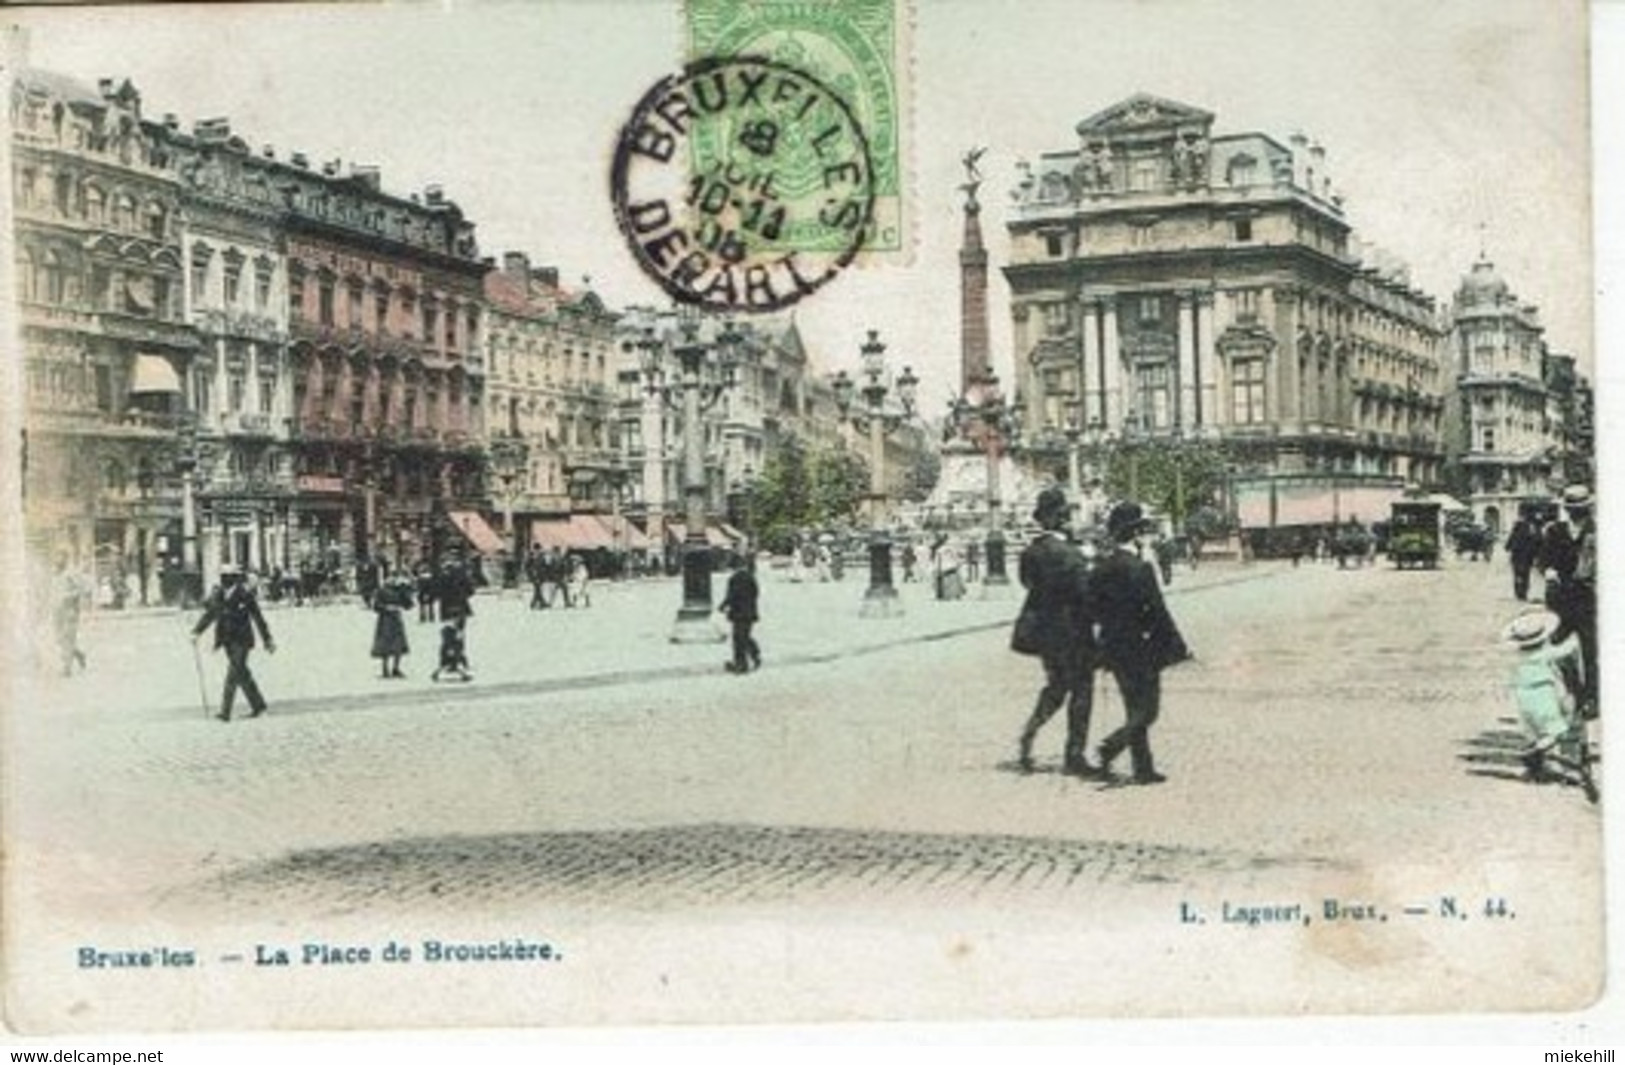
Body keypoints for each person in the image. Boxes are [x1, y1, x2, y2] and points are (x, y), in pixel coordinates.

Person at [1092, 501, 1192, 785]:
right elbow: (1158, 612)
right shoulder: (1140, 568)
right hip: (1141, 646)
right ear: (1136, 534)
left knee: (1132, 705)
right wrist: (1177, 648)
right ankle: (1113, 744)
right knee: (1148, 710)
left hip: (1113, 647)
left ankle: (1143, 768)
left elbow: (1092, 608)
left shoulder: (1101, 568)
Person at [1013, 487, 1099, 776]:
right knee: (1082, 691)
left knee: (1057, 686)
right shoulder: (1071, 555)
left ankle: (1031, 729)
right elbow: (1085, 592)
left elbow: (1027, 583)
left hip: (1045, 633)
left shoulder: (1030, 552)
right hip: (1075, 630)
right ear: (1062, 518)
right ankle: (1074, 755)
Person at [1503, 610, 1583, 782]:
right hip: (1542, 693)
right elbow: (1564, 650)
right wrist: (1575, 638)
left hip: (1523, 695)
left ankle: (1535, 766)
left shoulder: (1519, 656)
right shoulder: (1543, 654)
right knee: (1556, 731)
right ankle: (1537, 751)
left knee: (1533, 730)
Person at [191, 563, 276, 722]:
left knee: (233, 673)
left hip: (243, 640)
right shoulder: (218, 594)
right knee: (242, 674)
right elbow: (210, 615)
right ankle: (259, 706)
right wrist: (196, 631)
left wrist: (268, 639)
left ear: (235, 578)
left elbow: (258, 618)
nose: (225, 580)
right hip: (227, 640)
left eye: (228, 577)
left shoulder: (245, 594)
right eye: (223, 576)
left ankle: (225, 712)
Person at [1546, 484, 1597, 717]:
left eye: (1581, 507)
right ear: (1567, 508)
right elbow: (1544, 558)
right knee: (1555, 650)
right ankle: (1575, 689)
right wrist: (1549, 570)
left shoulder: (1597, 529)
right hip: (1562, 599)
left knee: (1591, 651)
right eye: (1573, 507)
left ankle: (1592, 698)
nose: (1577, 511)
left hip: (1590, 598)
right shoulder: (1555, 530)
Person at [718, 554, 762, 674]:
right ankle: (754, 654)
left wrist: (723, 606)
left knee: (738, 639)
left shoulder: (734, 579)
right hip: (750, 612)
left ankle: (741, 664)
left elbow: (732, 595)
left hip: (738, 613)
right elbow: (756, 593)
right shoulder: (750, 577)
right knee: (745, 636)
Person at [50, 552, 89, 677]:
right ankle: (79, 655)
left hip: (70, 611)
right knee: (59, 639)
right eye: (55, 557)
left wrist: (68, 597)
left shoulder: (72, 574)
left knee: (68, 638)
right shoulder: (54, 574)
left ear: (65, 559)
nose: (56, 559)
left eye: (59, 557)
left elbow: (83, 590)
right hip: (57, 611)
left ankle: (67, 669)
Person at [371, 570, 412, 679]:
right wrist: (386, 608)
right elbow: (376, 606)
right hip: (385, 619)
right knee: (385, 645)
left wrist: (405, 590)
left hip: (396, 619)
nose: (393, 580)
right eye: (391, 578)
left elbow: (408, 605)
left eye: (395, 578)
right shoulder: (381, 590)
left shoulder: (399, 590)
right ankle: (385, 669)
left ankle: (396, 668)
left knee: (398, 645)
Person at [1504, 513, 1543, 602]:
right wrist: (1537, 554)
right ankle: (1522, 592)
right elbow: (1538, 541)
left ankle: (1519, 592)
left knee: (1518, 573)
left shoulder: (1519, 525)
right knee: (1525, 574)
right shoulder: (1534, 527)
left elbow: (1512, 537)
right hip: (1526, 555)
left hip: (1518, 554)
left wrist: (1507, 547)